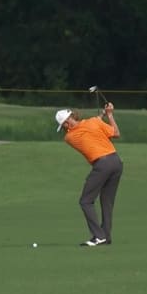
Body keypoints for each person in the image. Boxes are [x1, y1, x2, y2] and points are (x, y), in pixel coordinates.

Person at [55, 103, 123, 247]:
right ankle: (105, 236)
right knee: (107, 202)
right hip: (116, 161)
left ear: (67, 122)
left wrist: (102, 115)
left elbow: (86, 129)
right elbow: (116, 133)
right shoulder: (94, 122)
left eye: (64, 126)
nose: (64, 129)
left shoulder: (70, 137)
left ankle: (98, 236)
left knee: (85, 201)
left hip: (102, 165)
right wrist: (109, 114)